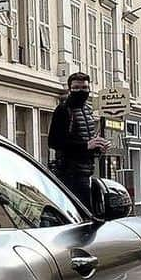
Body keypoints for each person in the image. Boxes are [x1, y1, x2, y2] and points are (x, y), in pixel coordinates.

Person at [47, 72, 110, 211]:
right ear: (69, 89)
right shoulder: (63, 110)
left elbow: (86, 145)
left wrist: (98, 148)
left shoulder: (88, 111)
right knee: (82, 213)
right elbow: (54, 141)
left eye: (84, 88)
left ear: (89, 89)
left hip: (86, 172)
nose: (80, 91)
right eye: (76, 88)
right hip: (69, 173)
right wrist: (87, 145)